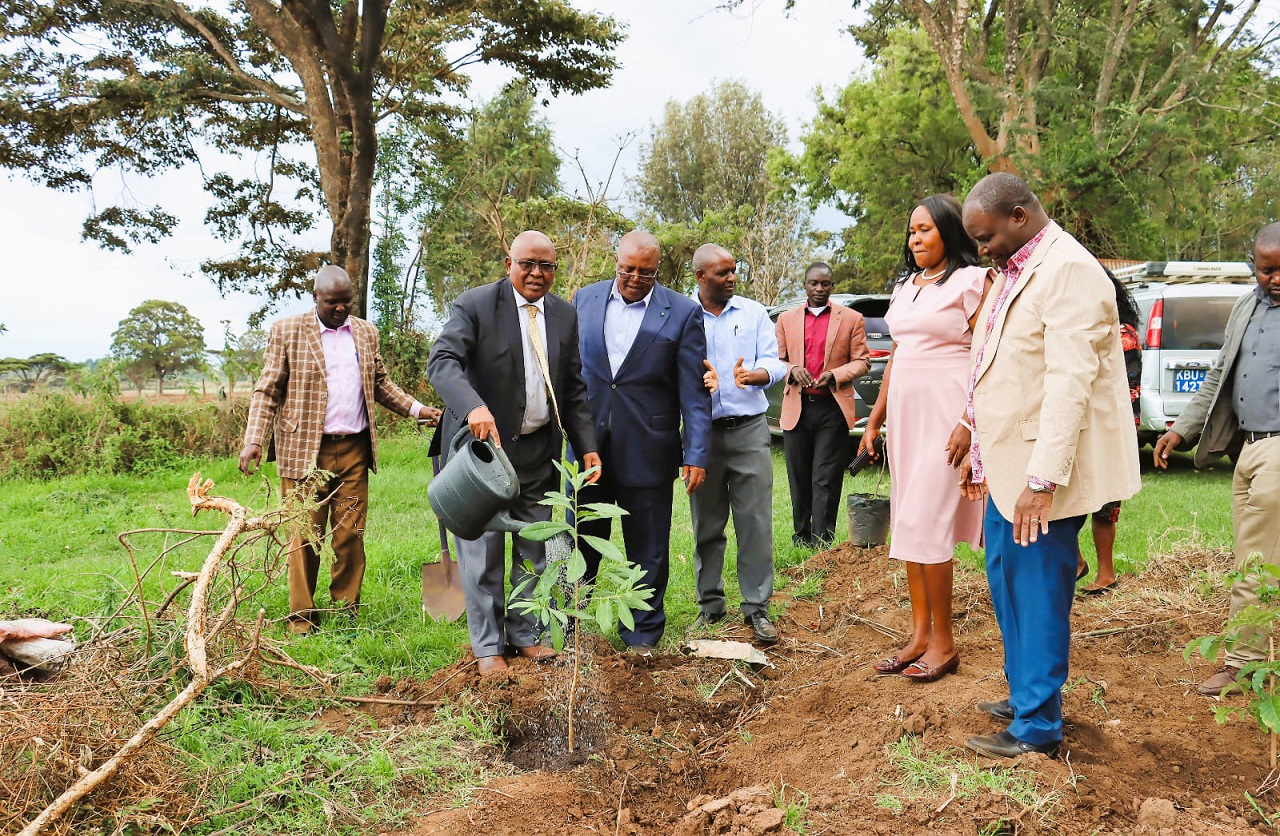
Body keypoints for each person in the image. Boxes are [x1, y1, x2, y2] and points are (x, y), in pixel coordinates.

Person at [957, 173, 1141, 758]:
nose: (982, 249)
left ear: (1019, 215)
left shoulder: (1070, 271)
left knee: (1036, 593)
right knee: (1007, 583)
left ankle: (1036, 728)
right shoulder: (1015, 271)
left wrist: (1041, 484)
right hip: (1006, 464)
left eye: (986, 237)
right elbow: (993, 363)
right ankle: (1024, 694)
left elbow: (1069, 384)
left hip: (1041, 476)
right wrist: (974, 442)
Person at [427, 230, 600, 675]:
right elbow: (442, 361)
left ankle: (527, 634)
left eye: (547, 266)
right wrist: (473, 407)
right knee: (482, 552)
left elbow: (574, 388)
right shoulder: (477, 305)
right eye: (528, 264)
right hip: (482, 458)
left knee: (535, 548)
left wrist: (587, 449)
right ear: (509, 263)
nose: (537, 274)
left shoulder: (564, 314)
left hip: (538, 452)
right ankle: (488, 646)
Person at [239, 265, 441, 635]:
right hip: (302, 452)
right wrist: (254, 440)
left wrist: (416, 408)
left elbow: (381, 383)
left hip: (353, 451)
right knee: (303, 536)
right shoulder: (287, 331)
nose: (340, 309)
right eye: (332, 302)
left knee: (350, 534)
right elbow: (267, 390)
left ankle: (346, 611)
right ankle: (302, 618)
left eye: (346, 302)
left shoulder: (365, 332)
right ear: (315, 297)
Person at [858, 194, 992, 683]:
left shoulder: (974, 281)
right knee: (910, 525)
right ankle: (918, 636)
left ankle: (945, 643)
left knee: (929, 522)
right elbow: (898, 355)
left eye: (926, 230)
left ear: (949, 231)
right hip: (907, 421)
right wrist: (874, 420)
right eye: (911, 231)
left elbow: (987, 355)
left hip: (948, 415)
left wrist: (969, 422)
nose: (915, 239)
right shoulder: (905, 287)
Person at [1154, 223, 1280, 696]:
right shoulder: (1247, 306)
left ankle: (1244, 665)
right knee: (1256, 556)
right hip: (1247, 448)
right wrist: (1181, 428)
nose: (1276, 279)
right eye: (1267, 270)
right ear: (1254, 267)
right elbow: (1217, 376)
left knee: (1257, 562)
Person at [572, 230, 713, 651]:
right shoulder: (585, 299)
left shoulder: (683, 313)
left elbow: (693, 390)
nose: (634, 278)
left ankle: (642, 638)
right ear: (616, 263)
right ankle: (571, 628)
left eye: (645, 273)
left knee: (648, 548)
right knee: (578, 541)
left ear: (658, 270)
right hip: (587, 447)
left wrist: (697, 452)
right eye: (627, 270)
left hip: (650, 448)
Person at [688, 244, 788, 644]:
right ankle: (709, 606)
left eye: (734, 271)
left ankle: (757, 608)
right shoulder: (682, 316)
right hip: (702, 435)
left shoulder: (753, 312)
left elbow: (777, 361)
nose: (731, 278)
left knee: (755, 522)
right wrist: (697, 380)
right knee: (706, 524)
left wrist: (758, 375)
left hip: (748, 429)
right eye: (722, 273)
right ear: (700, 277)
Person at [775, 262, 871, 548]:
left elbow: (863, 361)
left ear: (832, 286)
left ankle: (823, 539)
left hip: (832, 408)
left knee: (825, 477)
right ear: (805, 284)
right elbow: (775, 359)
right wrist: (792, 369)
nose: (819, 289)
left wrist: (836, 375)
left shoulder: (851, 318)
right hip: (797, 407)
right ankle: (801, 536)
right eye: (814, 283)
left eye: (825, 284)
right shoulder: (786, 319)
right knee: (799, 475)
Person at [1076, 271, 1143, 595]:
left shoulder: (1123, 334)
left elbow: (1126, 389)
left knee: (1105, 505)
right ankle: (1076, 561)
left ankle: (1106, 573)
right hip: (1082, 425)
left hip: (1111, 427)